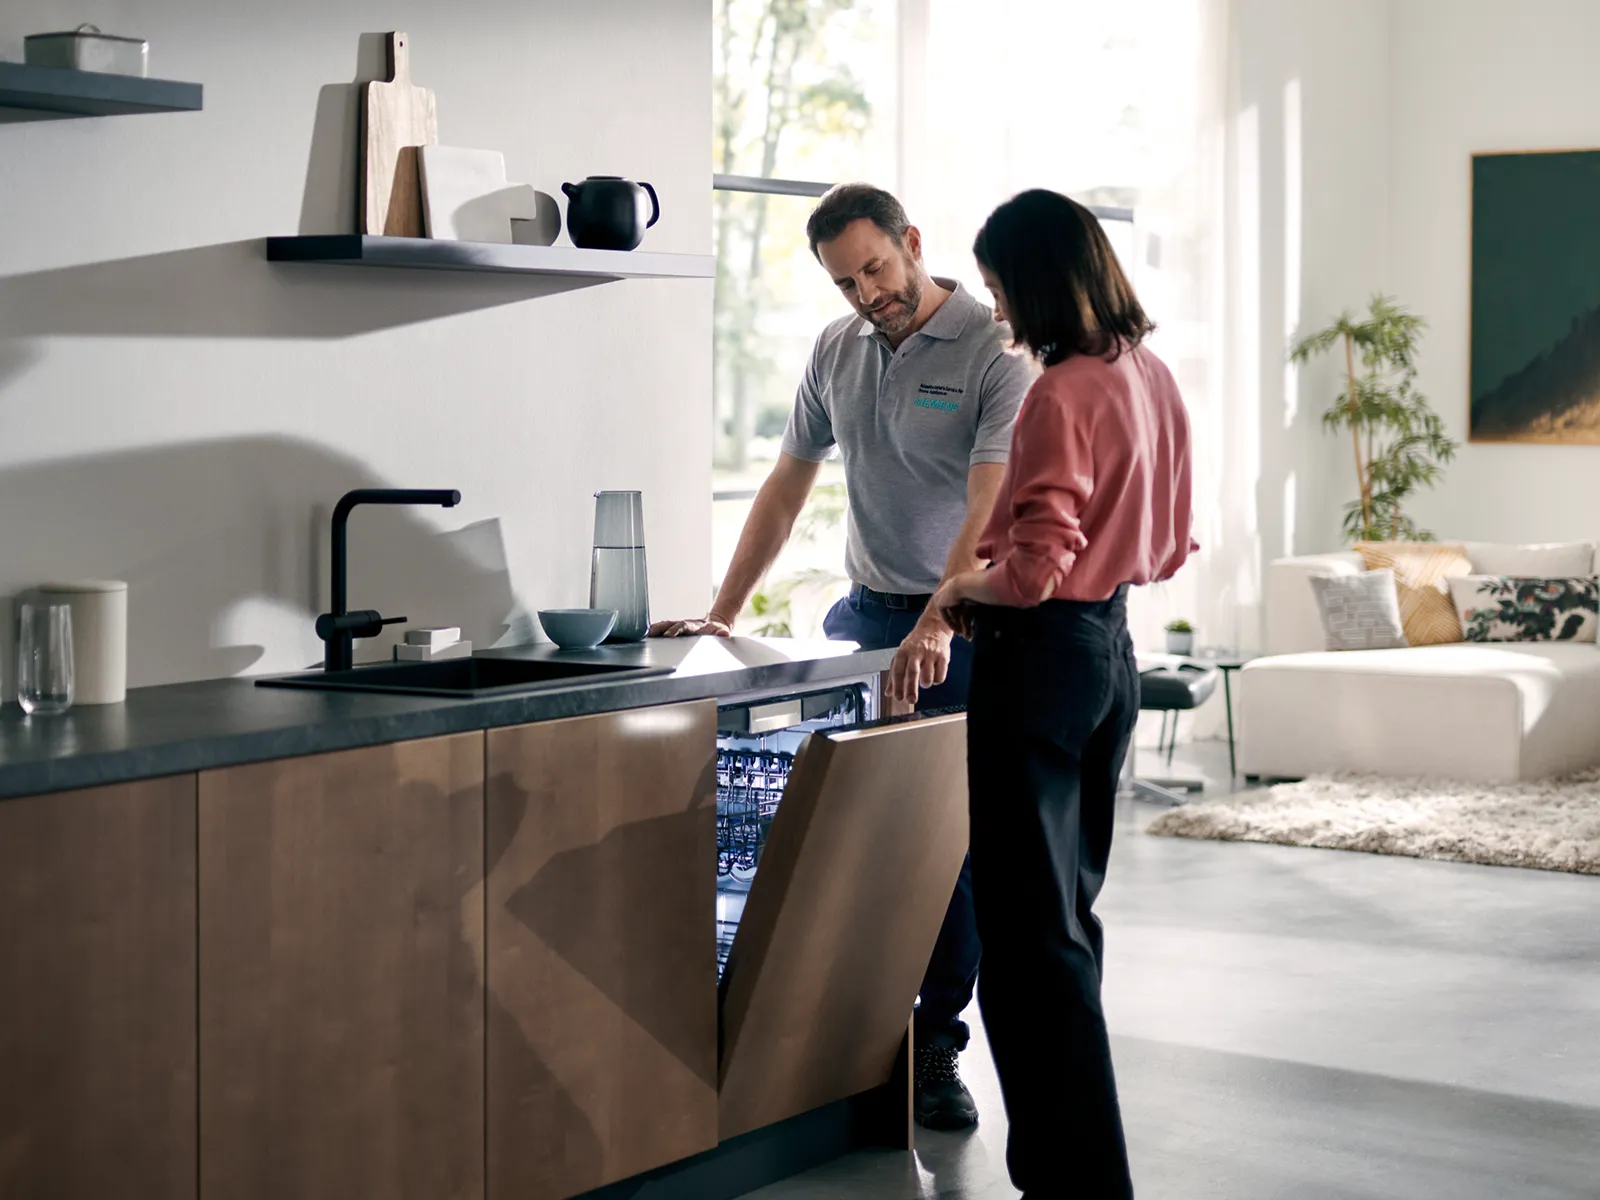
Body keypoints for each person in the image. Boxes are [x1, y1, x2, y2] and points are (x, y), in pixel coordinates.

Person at [652, 183, 1034, 1129]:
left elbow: (986, 514)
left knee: (946, 849)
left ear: (912, 241)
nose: (866, 293)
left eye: (874, 268)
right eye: (844, 281)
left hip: (966, 626)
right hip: (866, 618)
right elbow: (786, 489)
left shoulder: (995, 350)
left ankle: (936, 1045)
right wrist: (720, 611)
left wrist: (938, 623)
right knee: (835, 830)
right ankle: (836, 1039)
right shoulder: (837, 350)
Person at [929, 190, 1195, 1197]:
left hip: (1036, 663)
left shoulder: (1058, 392)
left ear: (1036, 280)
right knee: (1066, 928)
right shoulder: (1151, 376)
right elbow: (1169, 539)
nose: (996, 311)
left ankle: (1076, 1184)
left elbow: (1031, 570)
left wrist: (961, 588)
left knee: (1029, 949)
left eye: (999, 287)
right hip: (1108, 660)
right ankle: (1075, 1175)